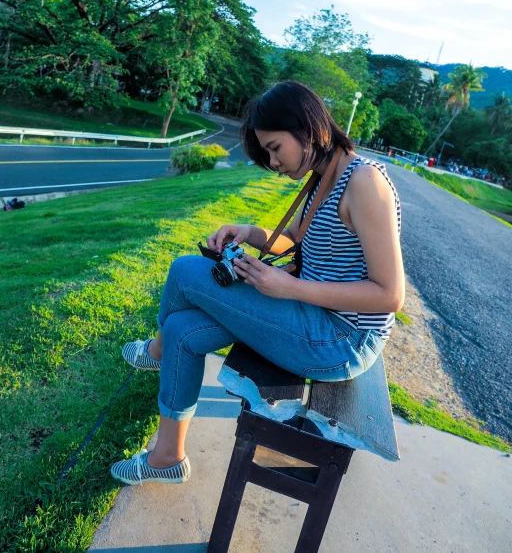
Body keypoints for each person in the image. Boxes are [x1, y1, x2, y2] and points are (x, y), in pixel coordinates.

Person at [110, 81, 404, 486]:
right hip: (310, 314)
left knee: (183, 270)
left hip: (342, 340)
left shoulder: (365, 183)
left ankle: (156, 351)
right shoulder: (325, 176)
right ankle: (167, 457)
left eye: (274, 148)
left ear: (307, 128)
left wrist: (290, 288)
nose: (274, 162)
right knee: (182, 328)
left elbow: (390, 295)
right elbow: (296, 239)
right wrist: (248, 232)